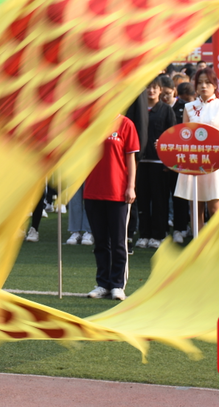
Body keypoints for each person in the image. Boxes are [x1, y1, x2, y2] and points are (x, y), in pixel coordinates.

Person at [83, 114, 140, 300]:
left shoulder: (126, 124)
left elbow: (131, 158)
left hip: (118, 191)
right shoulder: (90, 122)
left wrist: (131, 186)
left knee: (118, 241)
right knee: (100, 242)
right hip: (93, 190)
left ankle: (117, 284)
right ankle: (102, 283)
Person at [173, 68, 219, 231]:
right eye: (200, 83)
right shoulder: (189, 107)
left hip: (216, 163)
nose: (203, 86)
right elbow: (183, 134)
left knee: (215, 207)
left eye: (208, 82)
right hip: (193, 162)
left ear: (215, 85)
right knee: (195, 207)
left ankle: (218, 243)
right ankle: (198, 246)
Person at [135, 75, 177, 249]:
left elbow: (174, 135)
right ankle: (144, 234)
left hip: (160, 163)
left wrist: (169, 161)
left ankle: (159, 234)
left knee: (160, 200)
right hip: (140, 161)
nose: (151, 91)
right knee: (142, 200)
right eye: (148, 87)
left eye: (155, 87)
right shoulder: (137, 110)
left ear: (161, 90)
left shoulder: (167, 110)